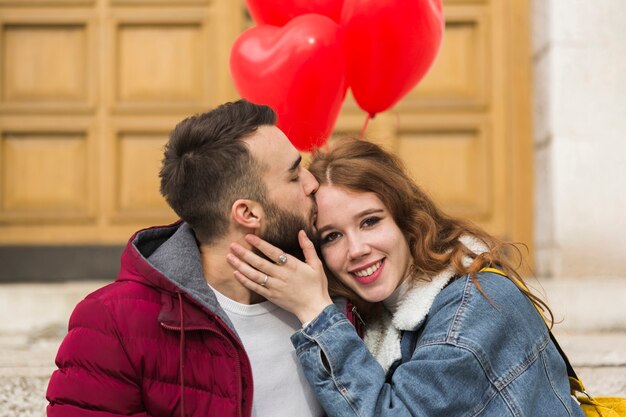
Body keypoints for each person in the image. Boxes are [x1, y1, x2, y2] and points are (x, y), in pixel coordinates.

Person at [227, 138, 586, 417]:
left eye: (370, 221)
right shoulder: (381, 313)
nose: (356, 249)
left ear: (405, 221)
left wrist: (316, 314)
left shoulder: (475, 306)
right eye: (332, 236)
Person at [46, 100, 325, 417]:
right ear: (247, 213)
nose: (312, 182)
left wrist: (323, 313)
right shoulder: (112, 325)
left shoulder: (339, 291)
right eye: (293, 175)